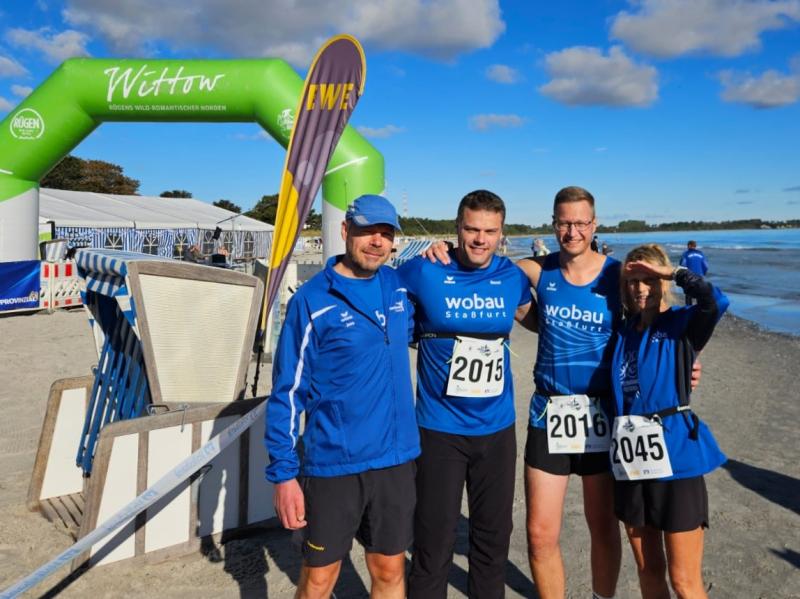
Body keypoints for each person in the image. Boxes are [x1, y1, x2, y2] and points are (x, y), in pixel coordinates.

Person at [265, 194, 420, 599]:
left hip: (395, 460)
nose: (377, 241)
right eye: (368, 231)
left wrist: (442, 250)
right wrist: (284, 475)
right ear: (345, 230)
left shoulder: (399, 287)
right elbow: (287, 393)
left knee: (389, 570)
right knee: (320, 578)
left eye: (386, 234)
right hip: (334, 466)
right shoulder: (312, 301)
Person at [398, 189, 535, 598]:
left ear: (502, 233)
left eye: (490, 231)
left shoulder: (512, 277)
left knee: (493, 541)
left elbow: (545, 320)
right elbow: (371, 286)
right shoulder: (424, 270)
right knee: (432, 541)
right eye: (472, 229)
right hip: (439, 429)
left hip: (497, 429)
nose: (480, 239)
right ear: (457, 228)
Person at [515, 186, 622, 599]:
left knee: (603, 526)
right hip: (549, 413)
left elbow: (657, 323)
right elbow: (488, 268)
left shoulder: (617, 276)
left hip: (602, 415)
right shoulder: (537, 271)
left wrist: (686, 364)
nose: (572, 231)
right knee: (540, 534)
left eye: (580, 223)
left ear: (594, 225)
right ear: (553, 224)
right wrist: (444, 251)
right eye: (564, 223)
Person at [611, 244, 728, 599]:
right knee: (648, 572)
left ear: (662, 281)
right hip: (632, 462)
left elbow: (715, 301)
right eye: (633, 280)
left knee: (684, 581)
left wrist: (673, 273)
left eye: (649, 279)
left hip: (677, 460)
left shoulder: (681, 324)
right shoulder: (623, 333)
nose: (640, 288)